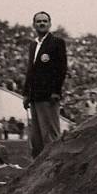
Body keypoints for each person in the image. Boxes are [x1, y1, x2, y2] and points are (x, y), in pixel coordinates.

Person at [22, 11, 67, 158]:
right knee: (37, 136)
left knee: (51, 133)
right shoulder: (33, 45)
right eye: (39, 21)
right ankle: (39, 170)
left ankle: (55, 163)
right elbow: (31, 70)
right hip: (35, 95)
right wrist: (26, 94)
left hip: (48, 96)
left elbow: (61, 69)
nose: (42, 23)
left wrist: (56, 91)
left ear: (50, 24)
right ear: (34, 24)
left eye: (45, 21)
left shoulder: (56, 42)